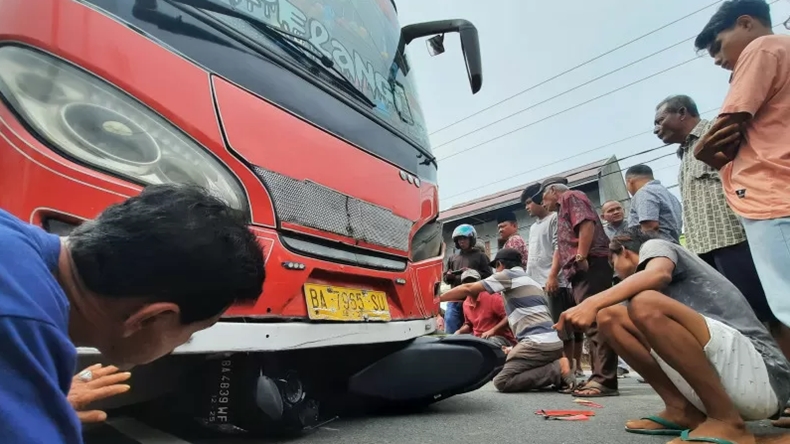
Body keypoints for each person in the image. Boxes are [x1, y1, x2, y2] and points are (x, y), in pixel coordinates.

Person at [0, 184, 266, 443]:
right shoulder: (22, 326)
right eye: (190, 334)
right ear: (149, 319)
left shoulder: (11, 236)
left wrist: (33, 403)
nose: (180, 345)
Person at [556, 226, 790, 444]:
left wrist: (592, 302)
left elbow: (658, 274)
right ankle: (681, 411)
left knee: (645, 304)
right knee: (610, 316)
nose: (614, 272)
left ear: (624, 251)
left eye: (612, 262)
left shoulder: (657, 246)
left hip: (765, 378)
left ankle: (727, 422)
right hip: (733, 380)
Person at [693, 0, 790, 364]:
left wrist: (705, 151)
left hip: (773, 191)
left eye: (717, 46)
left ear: (746, 23)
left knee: (786, 301)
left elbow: (727, 125)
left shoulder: (764, 47)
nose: (717, 60)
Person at [654, 94, 777, 330]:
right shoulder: (685, 152)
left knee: (761, 312)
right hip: (704, 250)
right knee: (734, 317)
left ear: (682, 112)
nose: (656, 129)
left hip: (733, 240)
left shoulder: (715, 132)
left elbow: (750, 177)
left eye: (660, 121)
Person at [440, 249, 575, 393]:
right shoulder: (532, 281)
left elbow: (468, 288)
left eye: (496, 268)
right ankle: (555, 365)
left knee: (502, 381)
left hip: (536, 344)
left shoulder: (508, 276)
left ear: (500, 265)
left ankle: (556, 369)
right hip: (554, 343)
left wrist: (436, 299)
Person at [541, 177, 620, 397]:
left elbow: (586, 223)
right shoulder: (561, 210)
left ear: (554, 191)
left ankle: (605, 380)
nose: (543, 203)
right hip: (582, 269)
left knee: (595, 321)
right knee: (590, 324)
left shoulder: (570, 196)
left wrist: (581, 255)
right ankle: (599, 377)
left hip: (590, 264)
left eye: (543, 197)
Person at [521, 183, 583, 380]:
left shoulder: (555, 218)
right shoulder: (532, 227)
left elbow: (559, 248)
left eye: (529, 202)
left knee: (561, 330)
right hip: (537, 284)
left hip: (554, 282)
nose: (527, 207)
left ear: (540, 201)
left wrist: (552, 276)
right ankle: (558, 369)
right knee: (547, 329)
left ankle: (569, 371)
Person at [443, 224, 492, 334]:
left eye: (464, 238)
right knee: (451, 328)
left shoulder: (481, 256)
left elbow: (489, 277)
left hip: (474, 300)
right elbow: (445, 279)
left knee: (475, 330)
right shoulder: (452, 258)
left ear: (471, 239)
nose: (461, 241)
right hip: (455, 300)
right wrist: (448, 276)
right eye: (459, 239)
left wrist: (472, 273)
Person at [454, 269, 516, 348]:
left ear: (479, 283)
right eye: (466, 283)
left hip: (500, 339)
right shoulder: (466, 303)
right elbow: (469, 324)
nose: (470, 285)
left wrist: (492, 330)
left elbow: (509, 316)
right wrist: (459, 332)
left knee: (490, 342)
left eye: (472, 282)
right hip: (479, 339)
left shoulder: (493, 297)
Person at [624, 164, 683, 243]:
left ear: (629, 181)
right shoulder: (668, 194)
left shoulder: (644, 192)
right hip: (672, 244)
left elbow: (650, 227)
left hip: (656, 247)